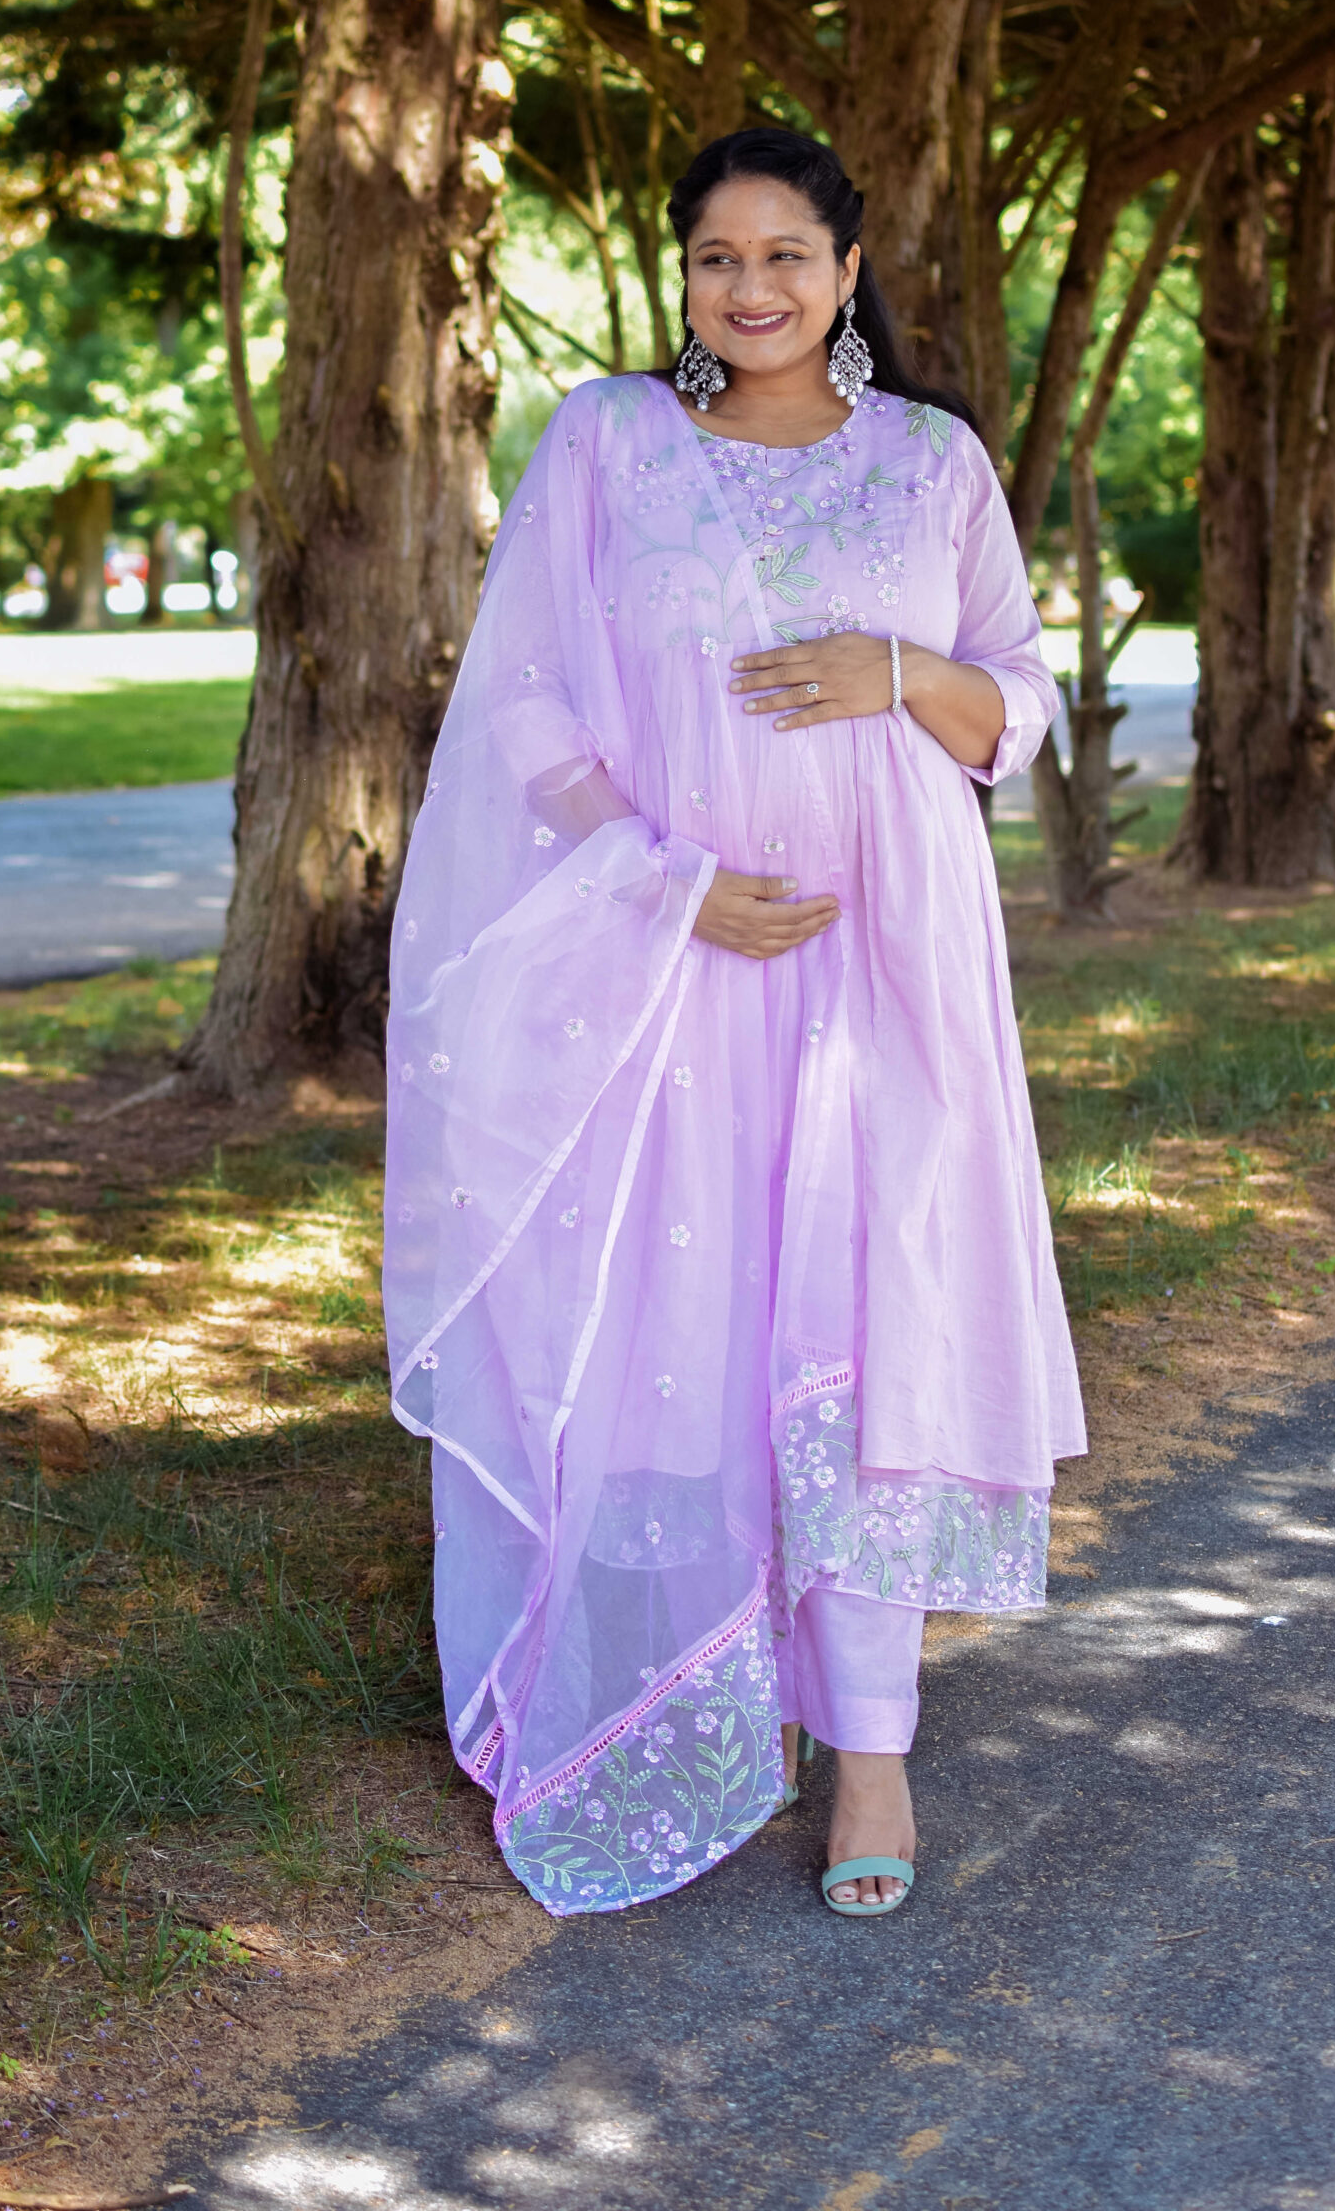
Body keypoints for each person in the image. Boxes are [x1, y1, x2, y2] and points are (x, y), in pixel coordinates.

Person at [382, 128, 1085, 1919]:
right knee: (689, 1322)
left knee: (871, 1320)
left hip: (893, 964)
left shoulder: (933, 465)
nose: (751, 289)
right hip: (680, 960)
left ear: (850, 271)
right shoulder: (612, 444)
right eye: (716, 259)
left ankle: (870, 1759)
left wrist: (900, 674)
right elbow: (523, 708)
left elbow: (1020, 697)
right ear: (681, 277)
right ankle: (675, 1678)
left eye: (787, 255)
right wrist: (666, 883)